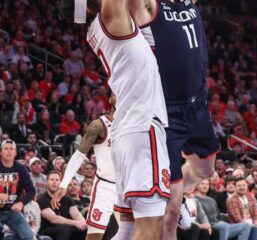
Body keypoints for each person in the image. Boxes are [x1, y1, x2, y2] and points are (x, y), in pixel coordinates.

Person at [60, 0, 170, 239]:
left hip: (128, 131)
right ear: (89, 8)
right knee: (151, 228)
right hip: (141, 127)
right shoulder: (111, 18)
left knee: (128, 229)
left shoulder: (104, 25)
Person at [129, 0, 221, 238]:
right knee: (169, 216)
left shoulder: (186, 3)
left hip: (197, 104)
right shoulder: (149, 6)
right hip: (167, 111)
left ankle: (176, 193)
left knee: (206, 170)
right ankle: (174, 195)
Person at [52, 94, 118, 240]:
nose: (121, 94)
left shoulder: (134, 123)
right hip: (105, 188)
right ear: (109, 99)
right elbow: (79, 155)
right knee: (94, 236)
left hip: (128, 187)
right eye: (116, 92)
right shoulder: (98, 125)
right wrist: (63, 185)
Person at [0, 139, 35, 240]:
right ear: (1, 152)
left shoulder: (21, 169)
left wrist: (21, 203)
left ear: (15, 153)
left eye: (11, 149)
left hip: (11, 210)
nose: (9, 151)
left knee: (28, 236)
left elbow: (31, 191)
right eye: (6, 148)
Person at [37, 170, 87, 240]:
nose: (54, 182)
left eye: (57, 180)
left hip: (66, 228)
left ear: (60, 183)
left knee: (84, 229)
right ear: (46, 183)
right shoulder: (41, 200)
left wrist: (82, 222)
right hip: (48, 230)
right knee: (64, 229)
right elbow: (54, 219)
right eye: (52, 180)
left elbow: (76, 214)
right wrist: (75, 223)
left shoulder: (66, 198)